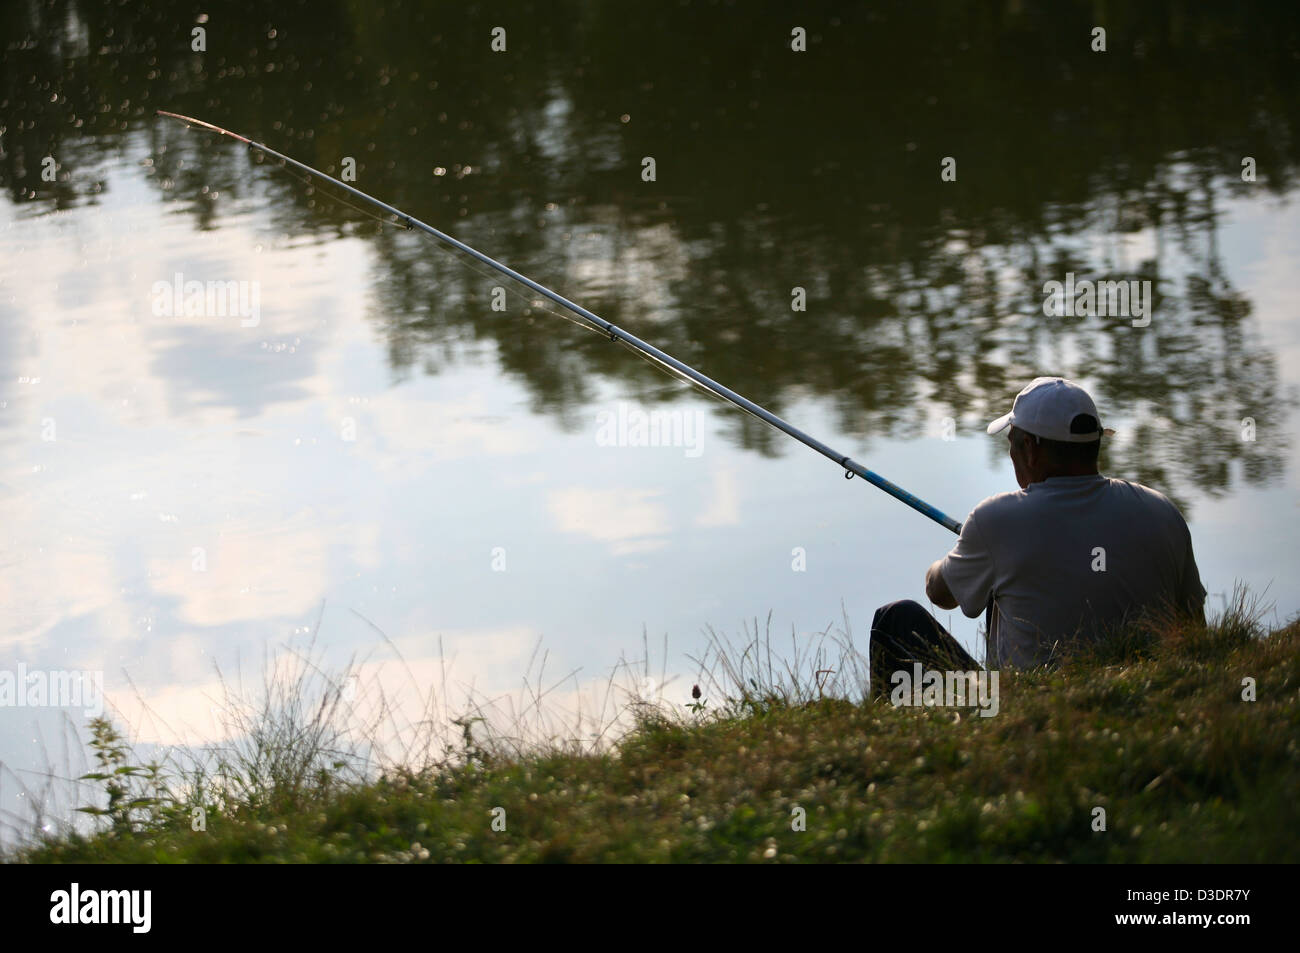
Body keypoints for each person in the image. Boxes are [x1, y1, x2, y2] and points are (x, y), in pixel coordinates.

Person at [869, 376, 1207, 700]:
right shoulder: (1161, 511)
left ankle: (889, 730)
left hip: (1023, 703)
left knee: (895, 618)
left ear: (1029, 449)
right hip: (1141, 694)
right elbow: (1194, 628)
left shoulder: (996, 519)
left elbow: (939, 593)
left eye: (1012, 442)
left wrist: (948, 561)